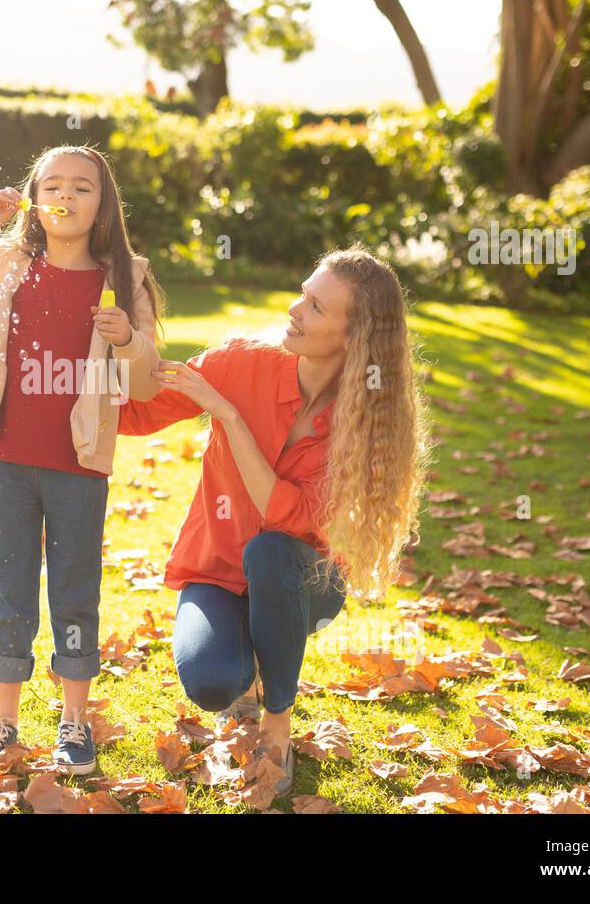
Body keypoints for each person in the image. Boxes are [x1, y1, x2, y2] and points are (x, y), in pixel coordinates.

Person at [118, 245, 431, 787]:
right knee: (213, 682)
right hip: (216, 567)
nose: (293, 309)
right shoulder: (241, 362)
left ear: (354, 337)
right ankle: (241, 687)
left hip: (304, 584)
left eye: (314, 307)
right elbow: (138, 411)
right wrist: (127, 337)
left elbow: (289, 520)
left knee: (270, 551)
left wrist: (230, 419)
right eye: (303, 293)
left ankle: (277, 726)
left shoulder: (366, 420)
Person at [0, 145, 165, 774]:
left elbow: (145, 383)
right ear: (32, 200)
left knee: (76, 592)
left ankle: (73, 722)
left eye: (82, 187)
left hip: (80, 464)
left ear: (104, 204)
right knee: (11, 589)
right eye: (51, 185)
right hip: (8, 459)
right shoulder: (8, 266)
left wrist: (128, 340)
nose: (66, 196)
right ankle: (4, 721)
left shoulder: (124, 276)